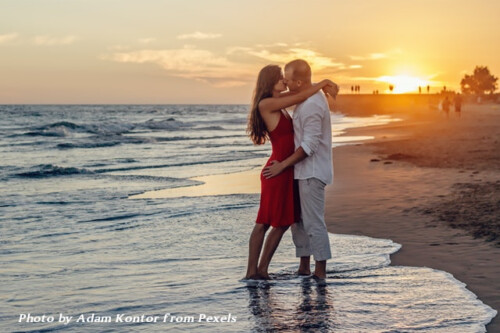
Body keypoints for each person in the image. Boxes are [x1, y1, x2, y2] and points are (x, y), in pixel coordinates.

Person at [245, 64, 338, 280]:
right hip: (278, 169)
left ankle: (261, 271)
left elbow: (301, 90)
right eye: (280, 79)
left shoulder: (281, 101)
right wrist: (323, 83)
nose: (284, 82)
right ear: (270, 82)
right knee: (267, 222)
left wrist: (318, 84)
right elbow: (301, 92)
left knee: (281, 221)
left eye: (285, 79)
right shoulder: (268, 103)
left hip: (287, 169)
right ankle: (254, 272)